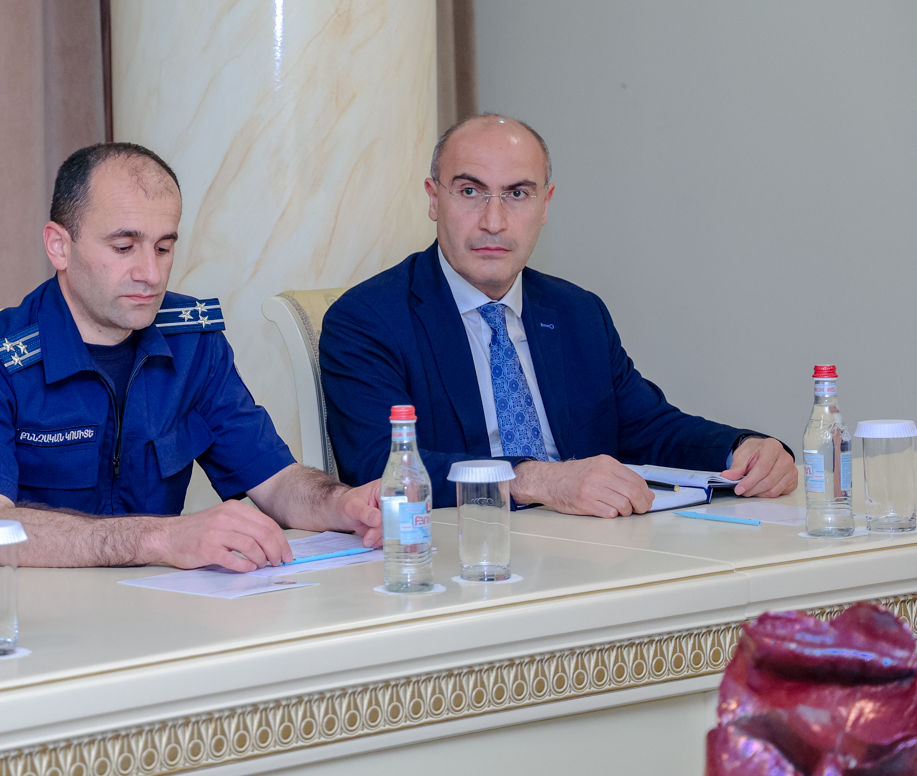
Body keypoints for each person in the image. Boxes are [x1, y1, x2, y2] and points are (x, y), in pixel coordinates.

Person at [0, 142, 382, 572]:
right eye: (124, 247)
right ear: (59, 246)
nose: (150, 273)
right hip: (29, 614)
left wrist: (342, 504)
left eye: (163, 248)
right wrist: (162, 538)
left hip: (156, 604)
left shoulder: (192, 342)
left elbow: (276, 480)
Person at [320, 115, 797, 516]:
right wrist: (537, 481)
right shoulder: (368, 320)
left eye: (517, 194)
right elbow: (379, 466)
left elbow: (647, 428)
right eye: (469, 191)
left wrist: (742, 448)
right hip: (464, 556)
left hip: (592, 548)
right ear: (433, 198)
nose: (493, 221)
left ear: (545, 205)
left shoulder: (577, 312)